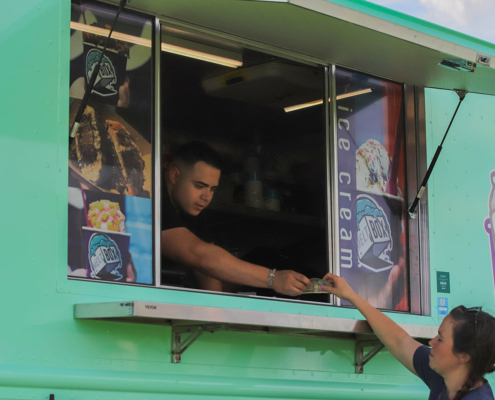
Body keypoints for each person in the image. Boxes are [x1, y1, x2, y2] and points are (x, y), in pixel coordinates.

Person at [161, 141, 311, 296]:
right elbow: (201, 256)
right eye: (199, 186)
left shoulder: (194, 205)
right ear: (174, 176)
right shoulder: (152, 200)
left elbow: (206, 272)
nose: (206, 197)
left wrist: (215, 310)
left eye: (212, 189)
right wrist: (273, 278)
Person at [322, 273, 495, 400]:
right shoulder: (445, 375)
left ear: (464, 356)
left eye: (440, 339)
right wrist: (350, 296)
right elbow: (399, 341)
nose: (431, 342)